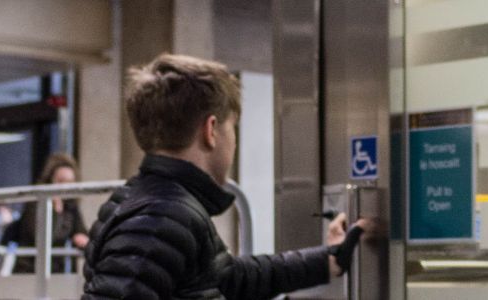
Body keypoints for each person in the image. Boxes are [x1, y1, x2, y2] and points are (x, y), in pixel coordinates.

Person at [82, 54, 368, 300]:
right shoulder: (162, 219)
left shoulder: (160, 205)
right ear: (211, 130)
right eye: (233, 128)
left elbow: (228, 278)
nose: (234, 140)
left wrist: (327, 260)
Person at [1, 153, 89, 273]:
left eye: (70, 181)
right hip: (28, 270)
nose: (65, 186)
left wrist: (81, 237)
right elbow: (39, 236)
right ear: (50, 180)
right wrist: (55, 210)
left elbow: (81, 232)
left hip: (55, 271)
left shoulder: (71, 208)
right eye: (61, 181)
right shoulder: (35, 203)